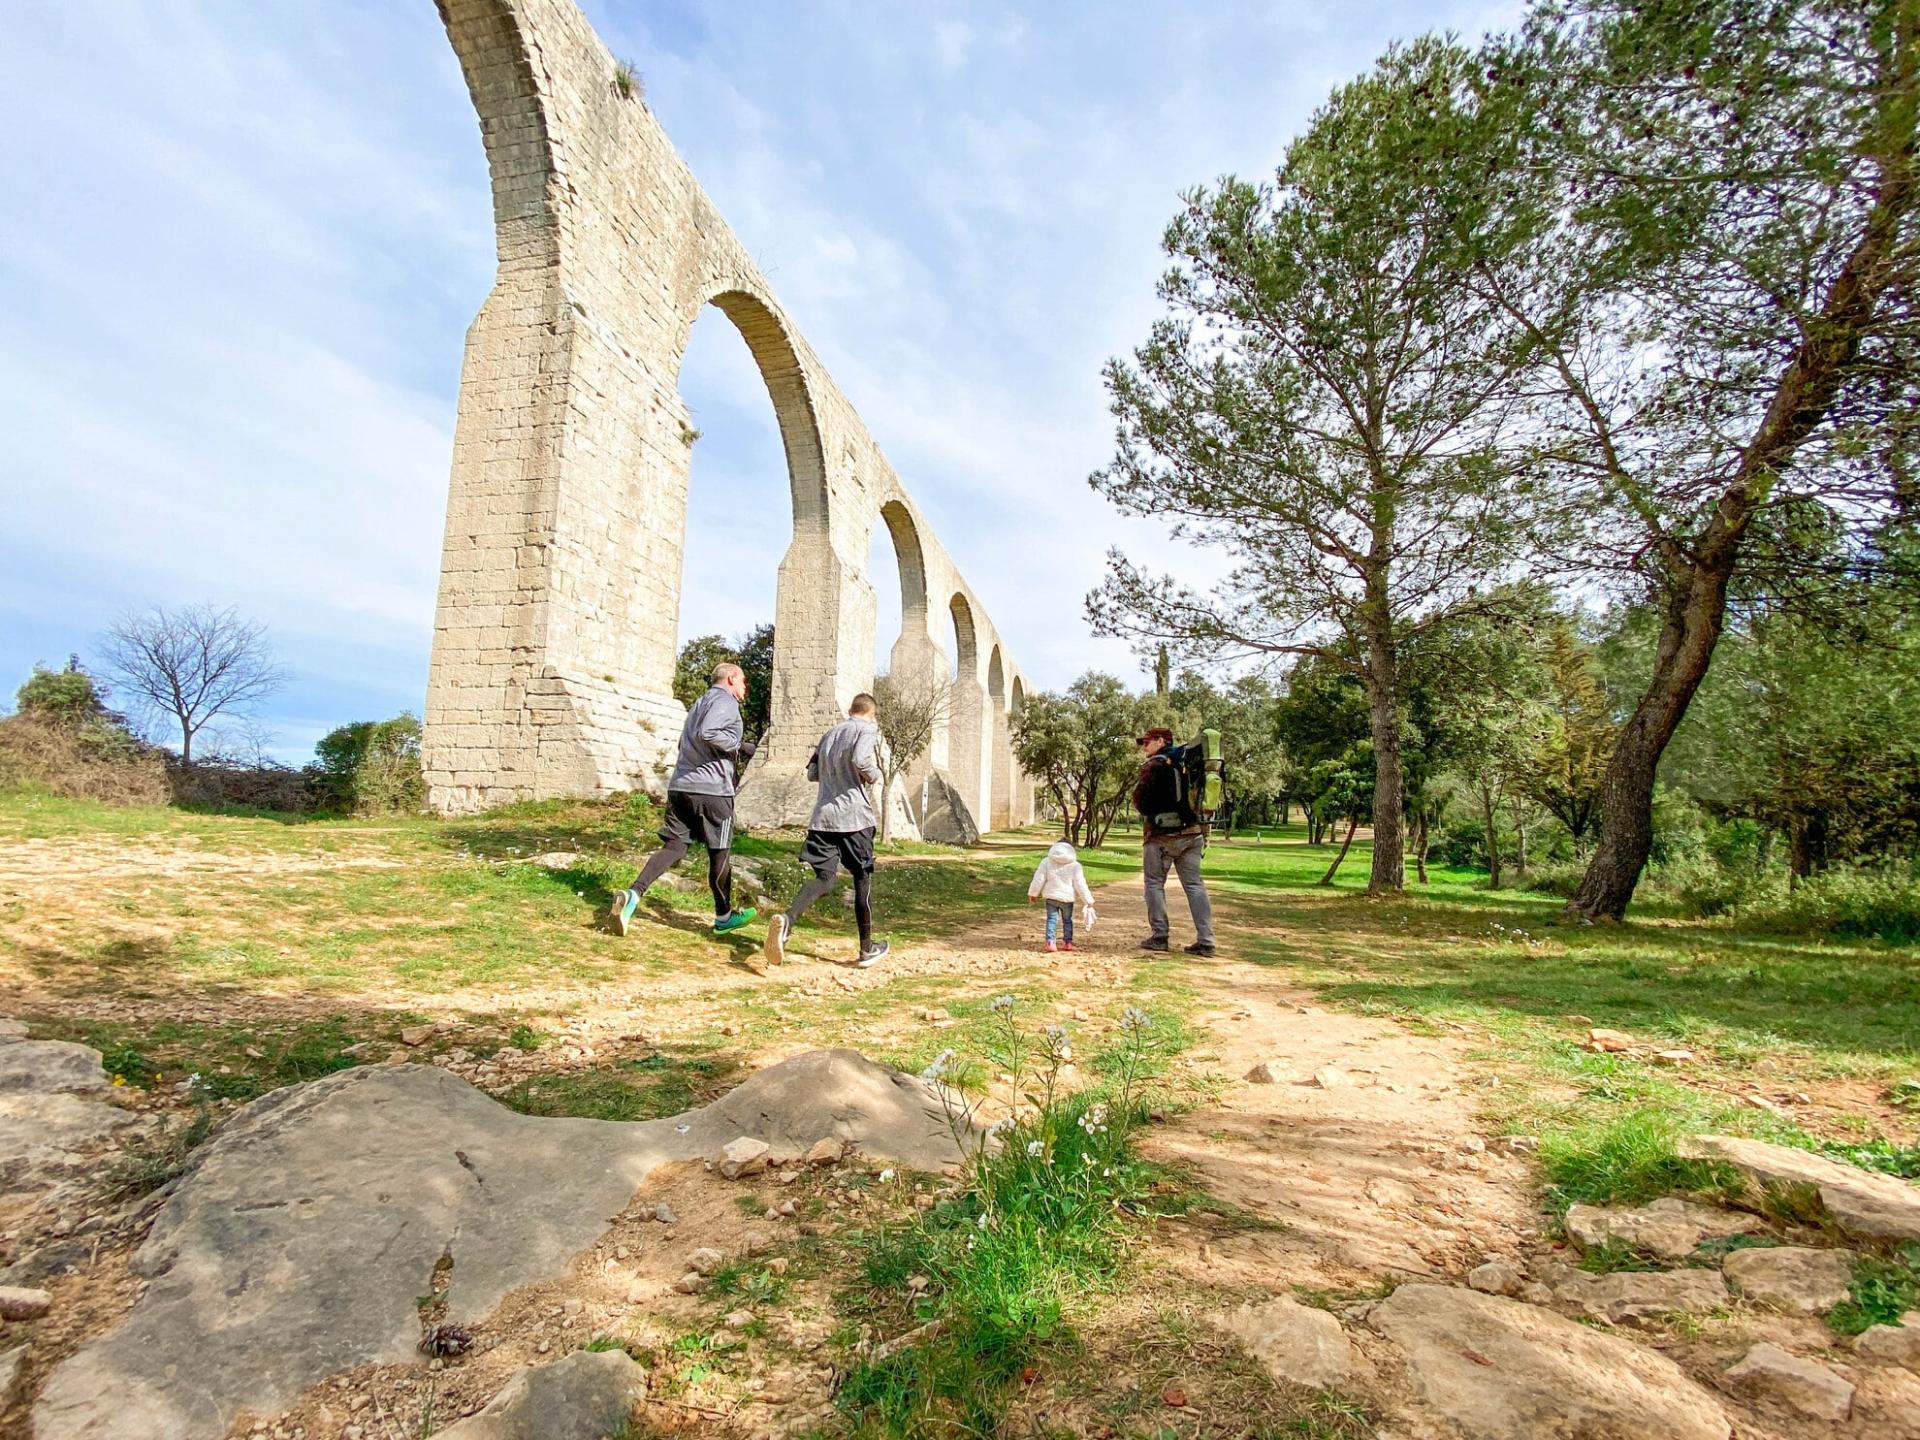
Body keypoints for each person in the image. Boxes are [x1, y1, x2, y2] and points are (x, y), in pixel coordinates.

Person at [609, 662, 758, 937]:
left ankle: (634, 893)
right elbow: (710, 733)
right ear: (731, 678)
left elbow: (684, 744)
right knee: (720, 852)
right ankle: (724, 916)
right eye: (743, 681)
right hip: (712, 790)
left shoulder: (698, 705)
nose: (745, 687)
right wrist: (740, 747)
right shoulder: (726, 702)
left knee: (675, 847)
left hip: (681, 787)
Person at [761, 692, 890, 971]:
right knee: (862, 879)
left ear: (850, 708)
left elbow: (812, 773)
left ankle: (787, 921)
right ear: (871, 712)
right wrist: (873, 775)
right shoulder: (866, 728)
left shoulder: (829, 734)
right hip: (854, 817)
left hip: (822, 819)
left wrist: (835, 773)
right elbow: (860, 758)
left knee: (824, 879)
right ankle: (867, 948)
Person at [1133, 726, 1217, 956]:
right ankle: (1207, 940)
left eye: (1147, 742)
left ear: (1161, 741)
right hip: (1192, 833)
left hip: (1161, 836)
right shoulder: (1190, 763)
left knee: (1154, 884)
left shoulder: (1154, 766)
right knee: (1194, 886)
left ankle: (1160, 936)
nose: (1143, 747)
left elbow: (1141, 803)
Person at [1027, 840, 1095, 953]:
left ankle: (1050, 942)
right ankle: (1067, 942)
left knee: (1051, 919)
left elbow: (1039, 878)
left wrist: (1033, 894)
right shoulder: (1075, 865)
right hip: (1067, 899)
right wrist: (1088, 900)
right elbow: (1080, 884)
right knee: (1067, 920)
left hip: (1051, 897)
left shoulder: (1046, 862)